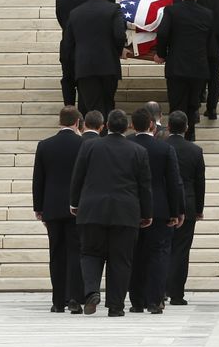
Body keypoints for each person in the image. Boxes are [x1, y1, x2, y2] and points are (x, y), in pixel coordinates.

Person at [70, 109, 153, 317]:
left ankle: (91, 292)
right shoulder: (138, 151)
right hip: (125, 212)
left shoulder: (89, 146)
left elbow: (77, 177)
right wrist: (147, 212)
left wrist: (74, 202)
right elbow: (145, 186)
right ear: (127, 127)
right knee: (121, 259)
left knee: (89, 253)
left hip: (92, 209)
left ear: (106, 125)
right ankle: (116, 306)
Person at [126, 107, 183, 314]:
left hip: (131, 209)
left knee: (134, 255)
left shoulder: (126, 146)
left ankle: (136, 300)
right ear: (152, 125)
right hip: (160, 209)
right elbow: (174, 182)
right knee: (158, 255)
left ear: (132, 124)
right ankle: (155, 300)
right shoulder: (165, 149)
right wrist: (176, 212)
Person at [32, 107, 86, 314]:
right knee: (76, 252)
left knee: (56, 253)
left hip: (52, 207)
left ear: (60, 122)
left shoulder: (45, 145)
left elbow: (39, 179)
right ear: (78, 122)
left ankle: (57, 301)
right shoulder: (83, 144)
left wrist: (39, 207)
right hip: (77, 207)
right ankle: (74, 297)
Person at [154, 0, 213, 140]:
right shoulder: (207, 14)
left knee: (177, 103)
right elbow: (211, 41)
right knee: (193, 104)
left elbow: (163, 33)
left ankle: (176, 135)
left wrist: (161, 54)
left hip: (177, 66)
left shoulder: (172, 11)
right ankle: (191, 133)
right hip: (198, 67)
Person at [63, 0, 126, 116]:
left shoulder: (75, 13)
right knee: (108, 104)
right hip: (109, 65)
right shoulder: (114, 9)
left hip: (85, 67)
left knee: (92, 107)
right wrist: (118, 51)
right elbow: (120, 35)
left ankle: (94, 134)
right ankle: (106, 133)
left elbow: (68, 43)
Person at [165, 111, 205, 306]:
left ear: (168, 127)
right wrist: (199, 208)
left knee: (161, 248)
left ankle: (160, 288)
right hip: (187, 204)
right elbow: (200, 182)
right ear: (187, 127)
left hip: (164, 204)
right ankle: (176, 293)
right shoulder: (195, 151)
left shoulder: (161, 147)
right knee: (181, 251)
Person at [55, 0, 90, 107]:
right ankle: (82, 114)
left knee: (67, 80)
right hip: (85, 45)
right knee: (84, 83)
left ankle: (69, 109)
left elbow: (60, 19)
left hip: (67, 44)